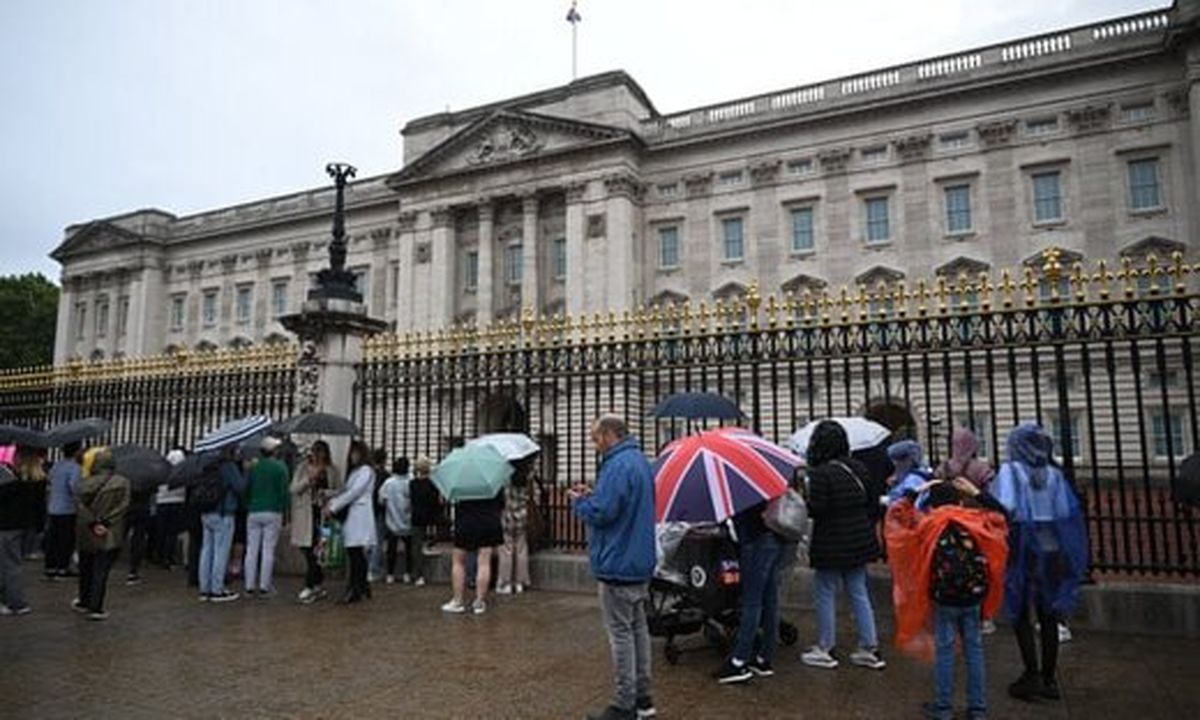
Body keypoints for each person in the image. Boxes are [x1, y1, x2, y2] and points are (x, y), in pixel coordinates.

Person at [885, 477, 1009, 720]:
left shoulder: (929, 524)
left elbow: (895, 518)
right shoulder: (976, 521)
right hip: (973, 595)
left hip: (944, 596)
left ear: (931, 505)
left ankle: (943, 707)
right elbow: (1003, 515)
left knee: (944, 650)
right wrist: (977, 493)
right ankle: (978, 708)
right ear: (961, 501)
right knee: (974, 648)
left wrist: (912, 493)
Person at [990, 423, 1088, 702]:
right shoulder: (1054, 474)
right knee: (1048, 616)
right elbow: (1062, 511)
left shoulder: (1011, 471)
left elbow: (1006, 506)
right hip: (1052, 550)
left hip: (1023, 547)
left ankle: (1031, 674)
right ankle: (1049, 678)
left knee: (1021, 614)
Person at [572, 415, 656, 720]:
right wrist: (595, 496)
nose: (594, 445)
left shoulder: (617, 465)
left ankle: (624, 703)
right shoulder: (640, 461)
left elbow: (604, 512)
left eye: (595, 438)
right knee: (638, 630)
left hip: (618, 559)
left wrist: (580, 503)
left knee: (620, 634)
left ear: (609, 435)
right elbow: (626, 504)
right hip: (639, 558)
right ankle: (644, 698)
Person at [801, 419, 887, 671]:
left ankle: (826, 647)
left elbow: (817, 509)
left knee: (825, 592)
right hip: (859, 537)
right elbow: (870, 502)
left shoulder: (820, 473)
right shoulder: (859, 468)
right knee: (859, 591)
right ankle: (869, 648)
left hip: (832, 540)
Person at [713, 499, 788, 685]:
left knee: (752, 603)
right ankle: (764, 657)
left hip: (755, 541)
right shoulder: (765, 478)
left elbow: (743, 512)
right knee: (769, 600)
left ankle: (739, 661)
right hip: (775, 539)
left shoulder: (743, 486)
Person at [73, 449, 131, 620]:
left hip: (86, 530)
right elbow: (123, 505)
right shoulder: (122, 482)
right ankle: (96, 606)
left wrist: (92, 523)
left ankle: (84, 600)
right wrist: (105, 523)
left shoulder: (84, 482)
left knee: (85, 567)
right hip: (109, 531)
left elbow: (79, 506)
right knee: (101, 570)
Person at [326, 440, 376, 604]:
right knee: (354, 553)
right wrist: (330, 495)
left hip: (360, 516)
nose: (352, 456)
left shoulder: (366, 470)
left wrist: (334, 506)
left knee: (356, 553)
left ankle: (355, 588)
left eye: (355, 453)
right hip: (353, 517)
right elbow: (346, 490)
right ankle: (360, 585)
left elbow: (354, 492)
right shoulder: (356, 472)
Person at [290, 440, 340, 604]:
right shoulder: (303, 468)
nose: (317, 455)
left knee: (319, 550)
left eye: (321, 451)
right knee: (308, 549)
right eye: (315, 451)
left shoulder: (332, 470)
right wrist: (308, 480)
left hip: (323, 514)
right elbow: (293, 489)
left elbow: (339, 490)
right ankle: (315, 583)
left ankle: (311, 585)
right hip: (306, 514)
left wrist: (327, 493)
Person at [442, 485, 503, 615]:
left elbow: (453, 498)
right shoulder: (492, 479)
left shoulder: (461, 480)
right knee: (484, 562)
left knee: (458, 561)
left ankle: (458, 601)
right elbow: (501, 502)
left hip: (465, 521)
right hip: (488, 521)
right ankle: (479, 602)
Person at [198, 447, 247, 603]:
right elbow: (240, 486)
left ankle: (204, 588)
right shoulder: (228, 466)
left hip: (206, 510)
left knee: (206, 550)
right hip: (223, 512)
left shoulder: (207, 465)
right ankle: (217, 589)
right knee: (221, 551)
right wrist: (246, 472)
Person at [243, 437, 290, 597]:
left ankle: (249, 585)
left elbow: (246, 488)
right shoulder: (280, 467)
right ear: (275, 451)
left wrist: (248, 504)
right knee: (268, 550)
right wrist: (285, 511)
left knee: (251, 549)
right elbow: (284, 492)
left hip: (254, 510)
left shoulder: (253, 467)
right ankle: (265, 585)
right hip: (273, 510)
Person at [0, 457, 39, 615]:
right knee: (10, 564)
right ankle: (12, 599)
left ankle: (15, 602)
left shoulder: (7, 478)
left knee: (9, 564)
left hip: (6, 526)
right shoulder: (18, 477)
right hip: (14, 526)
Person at [44, 442, 83, 579]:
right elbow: (74, 486)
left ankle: (50, 567)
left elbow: (49, 481)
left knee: (53, 539)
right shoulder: (75, 468)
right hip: (67, 508)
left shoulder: (56, 466)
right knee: (66, 539)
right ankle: (63, 567)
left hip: (53, 507)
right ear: (76, 452)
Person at [496, 456, 534, 595]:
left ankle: (505, 582)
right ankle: (520, 582)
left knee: (506, 550)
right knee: (521, 549)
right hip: (522, 515)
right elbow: (531, 497)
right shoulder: (528, 477)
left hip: (507, 515)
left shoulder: (504, 477)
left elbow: (500, 496)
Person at [379, 457, 413, 584]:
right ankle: (408, 573)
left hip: (392, 521)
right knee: (409, 550)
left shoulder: (388, 483)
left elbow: (381, 500)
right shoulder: (411, 481)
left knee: (391, 550)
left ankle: (390, 574)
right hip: (408, 520)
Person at [408, 455, 439, 586]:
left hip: (416, 516)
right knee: (427, 543)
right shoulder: (433, 484)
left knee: (416, 546)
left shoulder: (412, 484)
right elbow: (435, 502)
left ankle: (418, 574)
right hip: (430, 517)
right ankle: (427, 573)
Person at [154, 449, 188, 571]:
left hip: (162, 503)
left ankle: (159, 555)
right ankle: (168, 557)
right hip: (177, 503)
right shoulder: (183, 471)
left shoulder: (161, 471)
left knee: (161, 532)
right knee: (171, 533)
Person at [886, 439, 934, 507]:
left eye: (899, 459)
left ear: (909, 460)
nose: (895, 464)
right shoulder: (908, 477)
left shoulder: (914, 479)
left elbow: (913, 505)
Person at [124, 482, 153, 585]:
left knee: (121, 537)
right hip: (142, 510)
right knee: (138, 540)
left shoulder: (126, 477)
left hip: (126, 509)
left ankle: (108, 561)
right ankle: (133, 570)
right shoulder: (147, 478)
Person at [368, 448, 389, 583]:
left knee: (368, 541)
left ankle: (370, 568)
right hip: (380, 511)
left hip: (367, 510)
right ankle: (374, 569)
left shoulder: (368, 474)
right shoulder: (385, 475)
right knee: (377, 542)